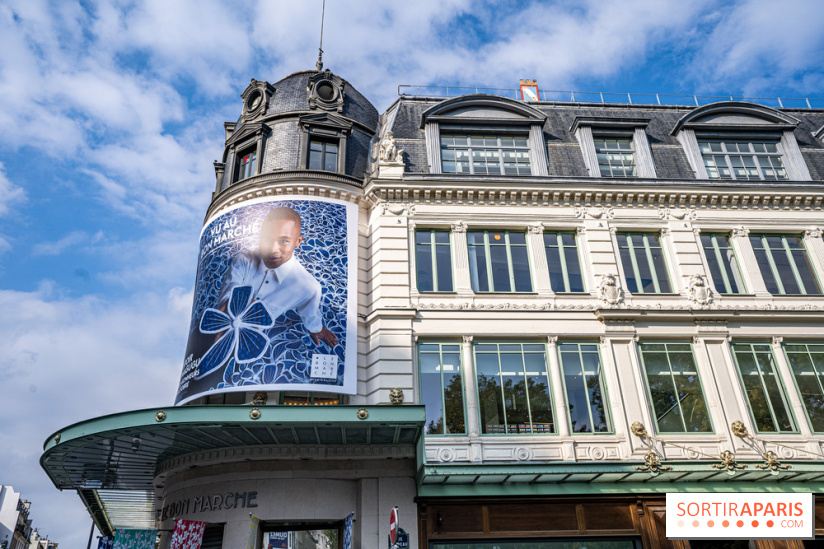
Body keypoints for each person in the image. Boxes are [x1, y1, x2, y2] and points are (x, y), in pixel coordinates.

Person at [218, 206, 339, 348]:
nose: (273, 249)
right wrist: (237, 302)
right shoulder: (244, 259)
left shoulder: (308, 287)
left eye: (283, 241)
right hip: (220, 326)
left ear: (298, 241)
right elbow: (228, 291)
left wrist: (316, 328)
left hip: (251, 344)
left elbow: (310, 313)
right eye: (267, 240)